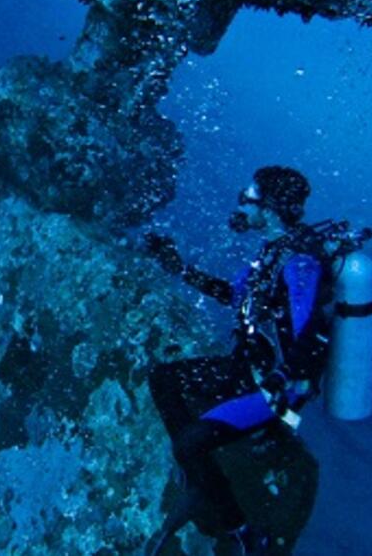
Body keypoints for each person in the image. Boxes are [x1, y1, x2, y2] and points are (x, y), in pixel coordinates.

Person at [143, 166, 334, 556]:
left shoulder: (299, 264)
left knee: (190, 444)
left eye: (248, 198)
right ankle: (202, 483)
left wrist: (284, 379)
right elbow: (233, 295)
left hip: (274, 390)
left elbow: (311, 337)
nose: (240, 204)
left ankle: (241, 531)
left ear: (270, 208)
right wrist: (178, 267)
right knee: (163, 379)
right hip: (247, 370)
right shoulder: (273, 252)